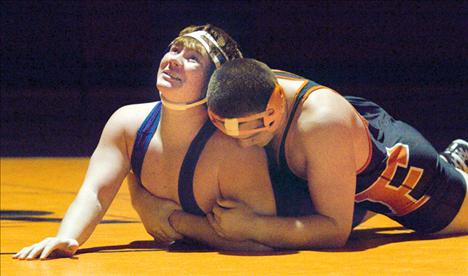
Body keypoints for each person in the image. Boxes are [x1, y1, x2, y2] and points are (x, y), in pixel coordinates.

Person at [13, 25, 279, 260]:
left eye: (192, 58)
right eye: (174, 50)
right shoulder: (127, 124)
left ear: (214, 84)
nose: (174, 61)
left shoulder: (233, 149)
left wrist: (172, 220)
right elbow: (95, 192)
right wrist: (68, 237)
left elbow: (260, 241)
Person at [204, 58, 468, 249]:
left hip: (412, 183)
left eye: (251, 136)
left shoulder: (321, 125)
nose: (242, 146)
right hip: (352, 146)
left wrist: (252, 226)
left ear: (274, 111)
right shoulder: (251, 83)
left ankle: (449, 167)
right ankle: (451, 159)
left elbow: (334, 231)